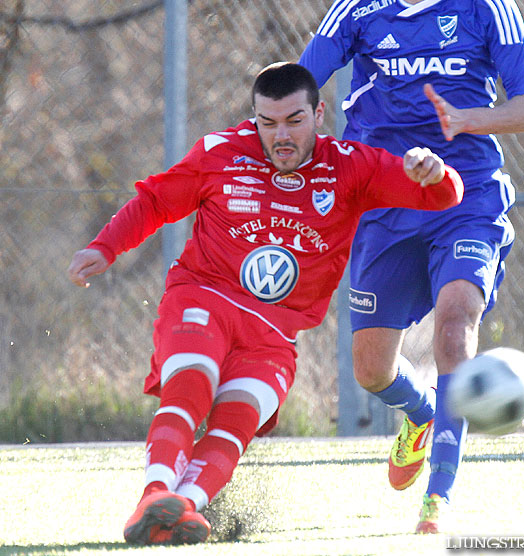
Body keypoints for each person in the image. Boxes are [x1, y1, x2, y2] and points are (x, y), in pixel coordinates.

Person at [67, 61, 463, 546]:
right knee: (192, 381)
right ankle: (153, 496)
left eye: (294, 121)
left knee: (239, 414)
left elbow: (443, 197)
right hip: (205, 298)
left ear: (319, 115)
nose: (281, 136)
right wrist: (104, 246)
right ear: (253, 117)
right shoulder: (221, 153)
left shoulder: (350, 167)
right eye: (267, 122)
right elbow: (155, 202)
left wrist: (435, 172)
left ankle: (184, 507)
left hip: (274, 336)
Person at [299, 0, 524, 533]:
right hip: (381, 204)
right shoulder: (359, 4)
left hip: (465, 198)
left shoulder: (485, 5)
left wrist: (464, 121)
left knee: (452, 325)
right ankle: (417, 414)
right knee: (369, 369)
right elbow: (301, 85)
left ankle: (437, 499)